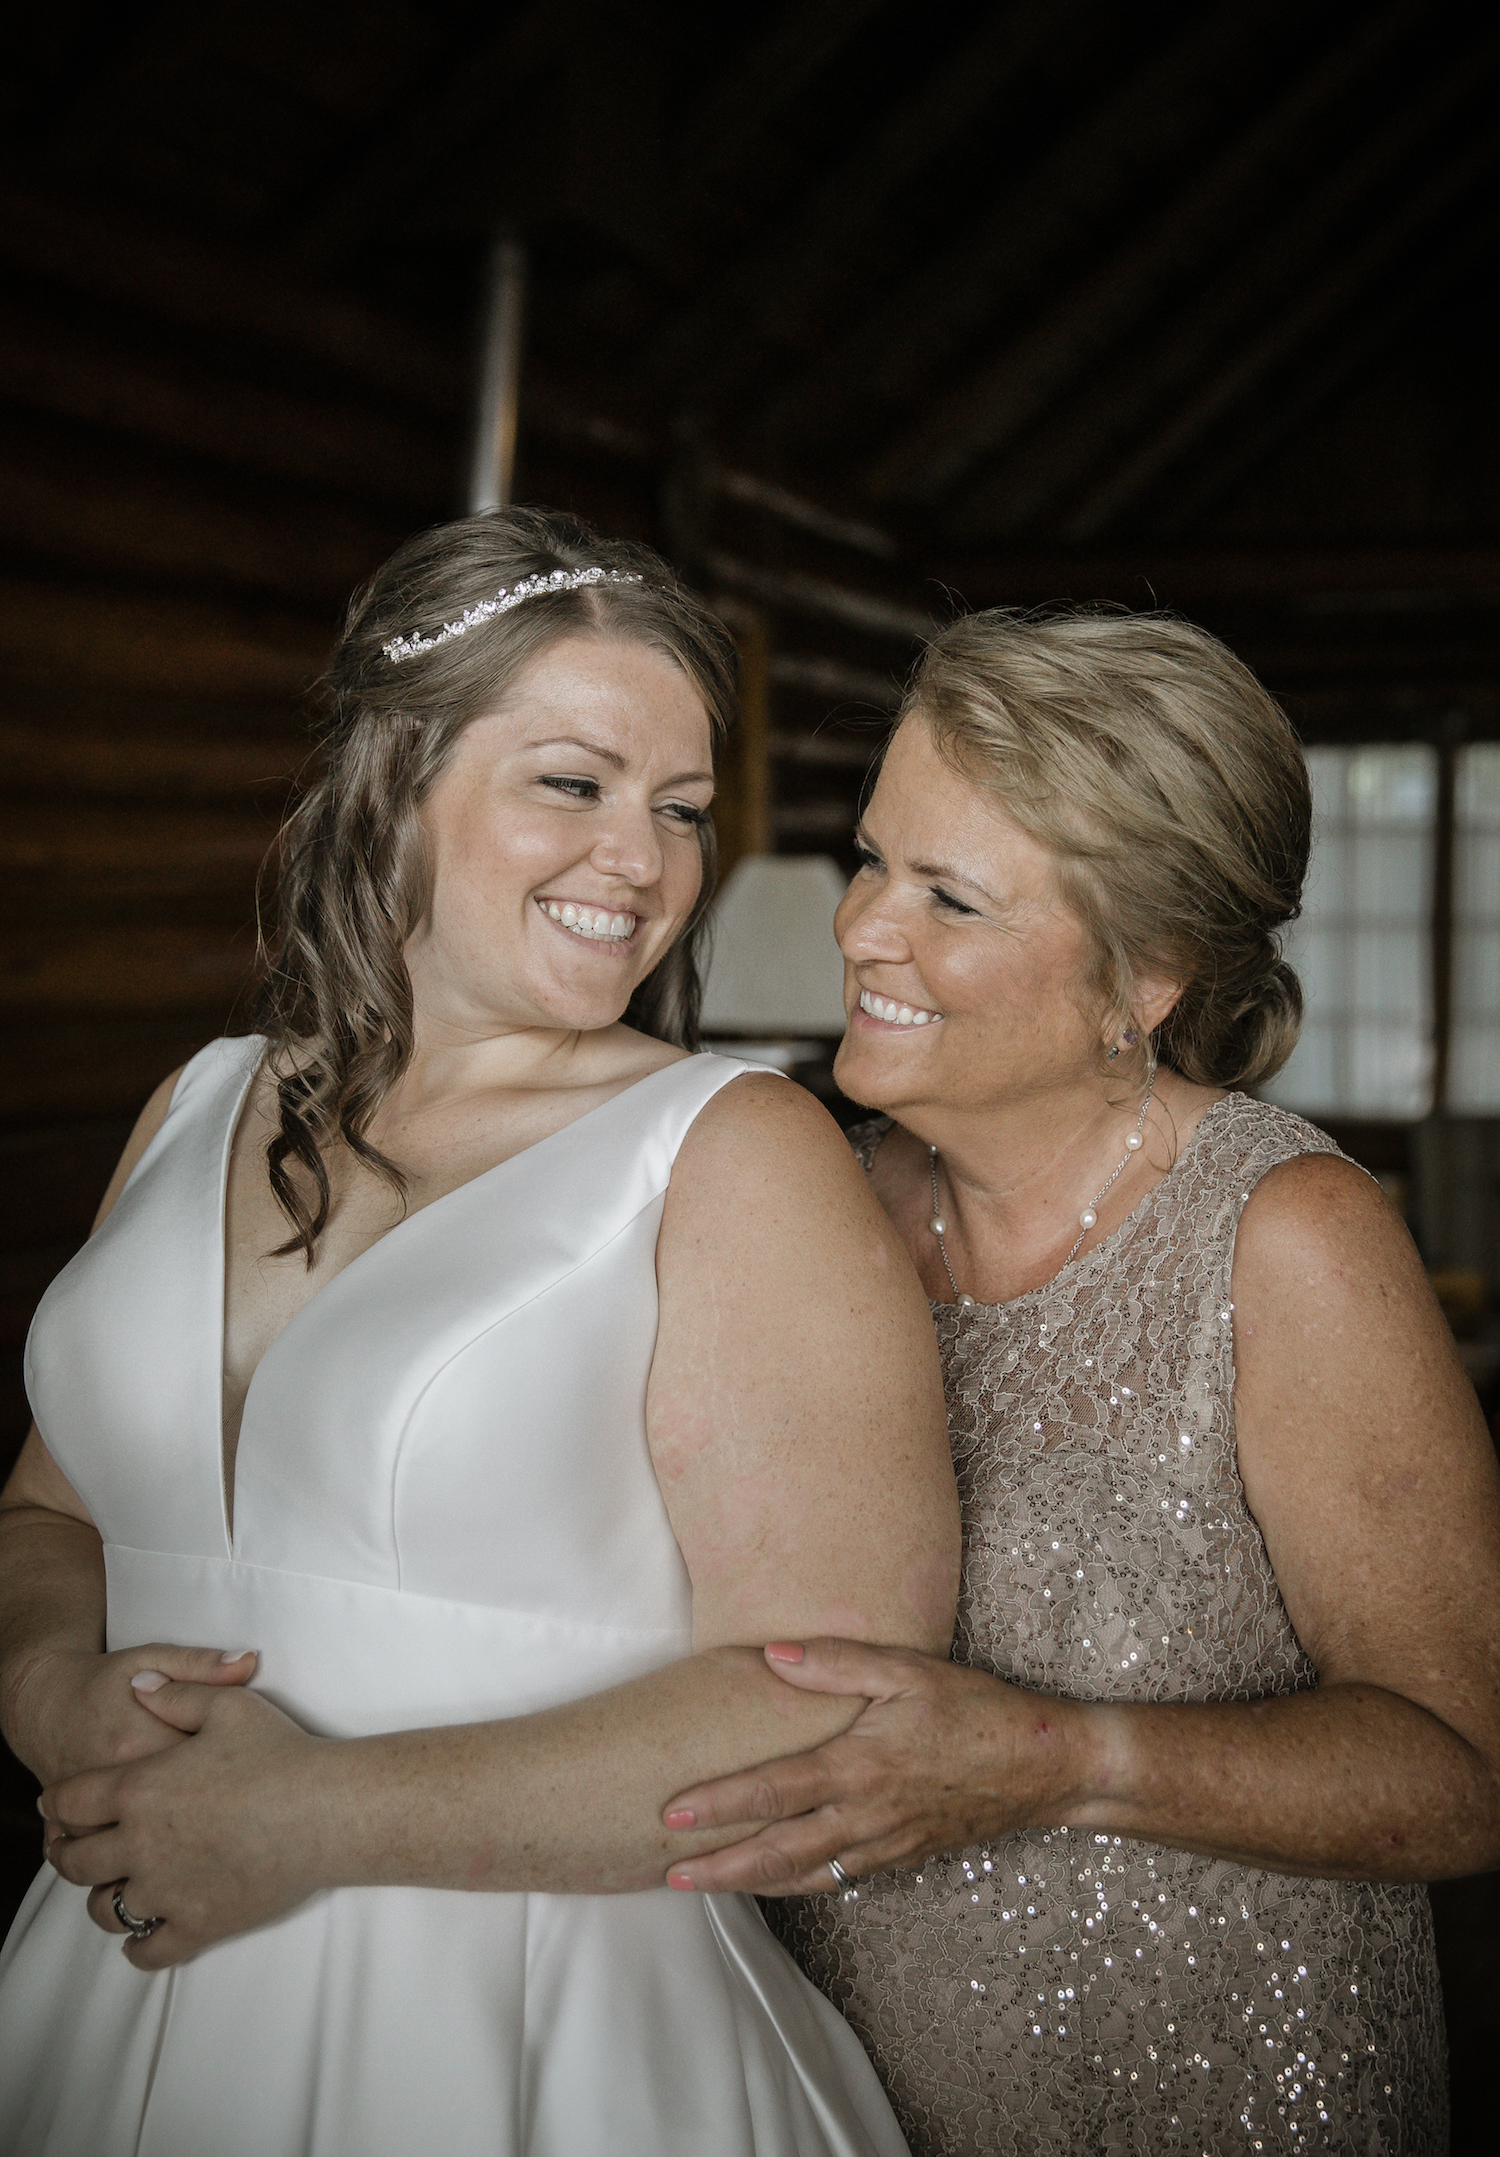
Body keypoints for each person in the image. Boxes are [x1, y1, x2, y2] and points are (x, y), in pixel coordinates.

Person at [0, 508, 959, 2157]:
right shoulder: (198, 1101)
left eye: (676, 808)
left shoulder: (729, 1151)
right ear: (396, 777)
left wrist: (309, 1819)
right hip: (114, 1970)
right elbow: (54, 1510)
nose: (645, 862)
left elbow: (831, 1701)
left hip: (529, 2025)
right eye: (573, 784)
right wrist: (46, 1687)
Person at [659, 609, 1500, 2156]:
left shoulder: (1285, 1240)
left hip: (1231, 2096)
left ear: (1147, 976)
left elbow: (1460, 1771)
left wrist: (1054, 1759)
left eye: (950, 897)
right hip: (840, 2103)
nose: (860, 930)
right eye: (872, 857)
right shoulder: (803, 1210)